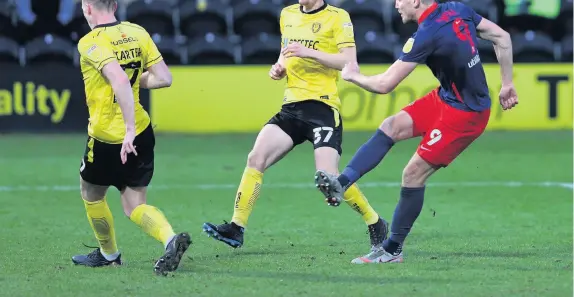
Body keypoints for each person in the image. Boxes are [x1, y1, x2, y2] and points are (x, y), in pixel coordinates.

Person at [315, 0, 518, 264]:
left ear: (415, 1)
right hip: (446, 99)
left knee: (412, 174)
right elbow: (502, 37)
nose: (396, 4)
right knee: (391, 126)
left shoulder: (426, 34)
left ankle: (392, 250)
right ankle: (341, 184)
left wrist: (353, 76)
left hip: (466, 115)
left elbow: (385, 84)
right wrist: (507, 84)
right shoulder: (458, 8)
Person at [202, 0, 389, 256]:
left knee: (329, 177)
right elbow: (286, 51)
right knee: (256, 158)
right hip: (291, 108)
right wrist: (279, 67)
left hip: (323, 108)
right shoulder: (287, 14)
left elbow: (348, 61)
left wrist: (308, 52)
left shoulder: (337, 17)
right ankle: (237, 227)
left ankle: (375, 221)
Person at [72, 0, 191, 275]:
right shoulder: (137, 32)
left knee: (91, 192)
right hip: (142, 130)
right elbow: (164, 78)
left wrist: (126, 130)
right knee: (135, 205)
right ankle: (170, 239)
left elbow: (120, 79)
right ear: (114, 5)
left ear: (87, 7)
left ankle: (109, 254)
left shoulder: (91, 42)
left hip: (109, 137)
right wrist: (132, 126)